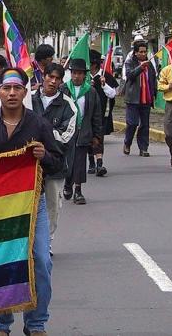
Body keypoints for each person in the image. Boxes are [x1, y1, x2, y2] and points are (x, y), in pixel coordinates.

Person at [0, 68, 63, 336]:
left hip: (32, 205)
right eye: (7, 88)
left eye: (17, 88)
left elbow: (58, 163)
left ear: (25, 93)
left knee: (41, 260)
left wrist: (44, 156)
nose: (12, 93)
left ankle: (36, 323)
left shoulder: (39, 125)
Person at [31, 63, 77, 252]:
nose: (53, 81)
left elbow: (66, 136)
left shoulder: (68, 105)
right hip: (28, 164)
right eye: (50, 76)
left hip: (55, 165)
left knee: (52, 206)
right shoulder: (29, 99)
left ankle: (46, 241)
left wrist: (44, 137)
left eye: (58, 78)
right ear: (44, 76)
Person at [61, 58, 102, 205]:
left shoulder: (90, 92)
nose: (77, 76)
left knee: (79, 161)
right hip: (66, 132)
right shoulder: (63, 89)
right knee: (68, 161)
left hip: (83, 130)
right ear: (70, 74)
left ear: (85, 75)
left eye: (80, 73)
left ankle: (78, 190)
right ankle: (67, 183)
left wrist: (97, 135)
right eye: (74, 73)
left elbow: (96, 115)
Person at [122, 41, 157, 157]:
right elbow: (130, 76)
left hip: (146, 99)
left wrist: (154, 94)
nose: (143, 54)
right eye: (140, 52)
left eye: (144, 51)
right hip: (133, 99)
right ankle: (127, 143)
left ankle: (143, 148)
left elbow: (153, 79)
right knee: (132, 123)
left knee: (145, 125)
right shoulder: (130, 62)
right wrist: (140, 68)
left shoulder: (150, 64)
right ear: (135, 53)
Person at [87, 50, 118, 176]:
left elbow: (112, 94)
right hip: (86, 113)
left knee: (98, 138)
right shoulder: (84, 77)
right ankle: (91, 163)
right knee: (88, 137)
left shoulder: (106, 76)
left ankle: (99, 163)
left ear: (94, 64)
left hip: (100, 113)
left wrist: (104, 85)